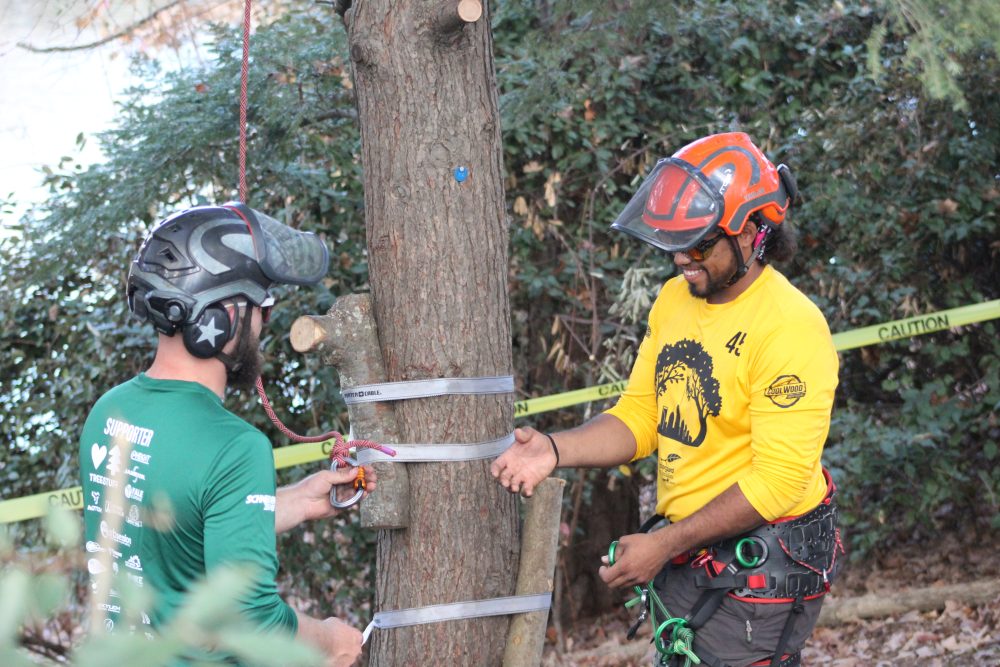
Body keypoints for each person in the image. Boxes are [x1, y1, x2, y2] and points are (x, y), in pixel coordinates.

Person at [492, 133, 843, 667]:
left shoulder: (790, 328)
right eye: (675, 243)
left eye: (700, 243)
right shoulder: (676, 298)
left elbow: (777, 483)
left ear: (751, 232)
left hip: (761, 568)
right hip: (693, 554)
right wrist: (554, 450)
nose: (682, 258)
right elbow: (643, 415)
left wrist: (665, 544)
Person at [79, 203, 372, 667]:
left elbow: (166, 529)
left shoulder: (109, 411)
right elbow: (248, 620)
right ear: (220, 317)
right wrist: (331, 639)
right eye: (261, 307)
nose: (263, 323)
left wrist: (291, 501)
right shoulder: (235, 448)